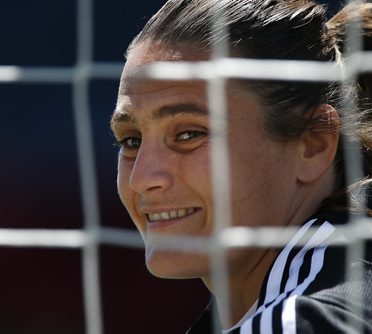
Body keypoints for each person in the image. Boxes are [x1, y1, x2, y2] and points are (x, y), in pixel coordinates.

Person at [110, 0, 372, 332]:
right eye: (131, 140)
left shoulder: (307, 323)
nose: (142, 178)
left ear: (313, 143)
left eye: (189, 134)